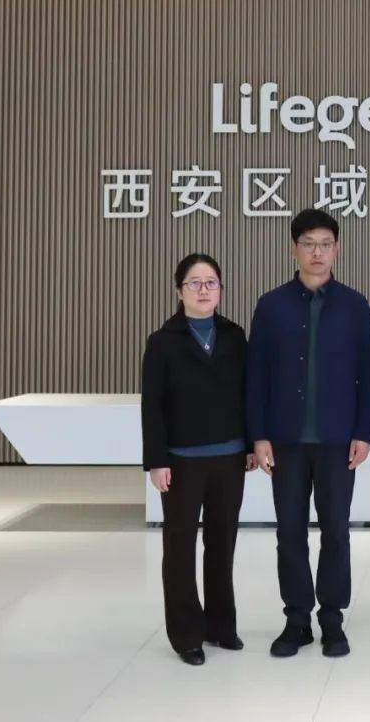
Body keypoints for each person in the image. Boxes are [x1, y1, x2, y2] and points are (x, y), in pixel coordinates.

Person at [247, 209, 370, 659]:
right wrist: (258, 435)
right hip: (284, 440)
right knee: (290, 531)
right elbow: (257, 376)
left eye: (325, 244)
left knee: (336, 530)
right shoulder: (271, 306)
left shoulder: (355, 305)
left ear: (336, 249)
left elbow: (369, 374)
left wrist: (364, 431)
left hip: (338, 440)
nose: (317, 252)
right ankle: (297, 619)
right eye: (308, 244)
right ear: (294, 249)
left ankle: (332, 618)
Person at [141, 253, 254, 666]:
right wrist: (156, 461)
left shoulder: (234, 336)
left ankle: (221, 626)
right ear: (179, 290)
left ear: (221, 289)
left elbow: (247, 394)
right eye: (195, 283)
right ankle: (186, 634)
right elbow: (152, 406)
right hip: (181, 461)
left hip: (229, 458)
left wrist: (249, 445)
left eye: (211, 283)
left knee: (222, 545)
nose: (204, 290)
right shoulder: (162, 342)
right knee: (180, 548)